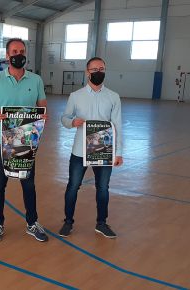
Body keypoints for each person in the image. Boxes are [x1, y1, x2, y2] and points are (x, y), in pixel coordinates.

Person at [0, 38, 49, 243]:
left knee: (28, 184)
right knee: (0, 184)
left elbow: (42, 107)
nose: (18, 54)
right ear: (7, 55)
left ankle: (32, 223)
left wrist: (43, 116)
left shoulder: (35, 80)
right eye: (14, 51)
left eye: (22, 50)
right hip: (0, 141)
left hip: (26, 140)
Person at [59, 56, 123, 239]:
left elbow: (117, 125)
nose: (98, 72)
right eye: (94, 69)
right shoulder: (76, 96)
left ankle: (101, 223)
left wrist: (118, 152)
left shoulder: (113, 97)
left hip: (103, 149)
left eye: (101, 69)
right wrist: (72, 122)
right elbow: (64, 118)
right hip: (79, 151)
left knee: (103, 188)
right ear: (87, 72)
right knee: (73, 186)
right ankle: (68, 222)